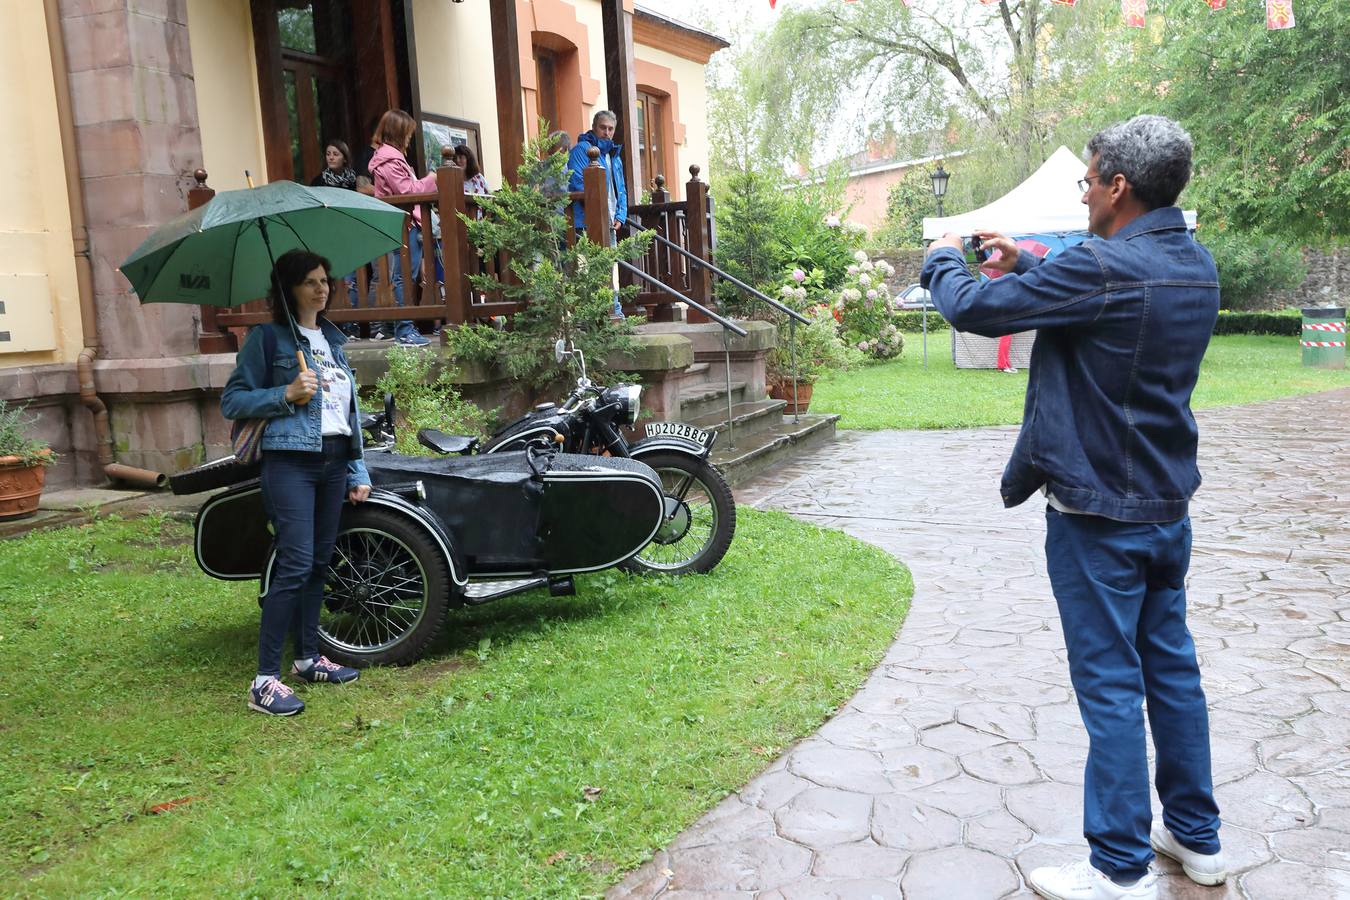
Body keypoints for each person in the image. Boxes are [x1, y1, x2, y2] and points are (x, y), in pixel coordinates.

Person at [920, 115, 1223, 900]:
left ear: (1118, 187)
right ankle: (1197, 839)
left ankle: (1120, 871)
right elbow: (1107, 282)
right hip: (1165, 508)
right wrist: (1032, 258)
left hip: (1097, 517)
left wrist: (939, 262)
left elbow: (977, 310)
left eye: (1088, 179)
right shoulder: (1196, 265)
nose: (1083, 190)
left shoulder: (1105, 270)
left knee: (1112, 685)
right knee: (1173, 672)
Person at [221, 249, 372, 716]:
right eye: (309, 281)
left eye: (325, 279)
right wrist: (284, 393)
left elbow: (346, 415)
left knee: (320, 562)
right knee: (295, 563)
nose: (321, 288)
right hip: (290, 462)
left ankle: (308, 658)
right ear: (288, 288)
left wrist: (356, 468)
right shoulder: (267, 340)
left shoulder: (331, 341)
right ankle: (264, 681)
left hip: (333, 461)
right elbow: (233, 400)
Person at [368, 108, 436, 346]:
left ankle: (406, 327)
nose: (409, 137)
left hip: (404, 223)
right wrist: (432, 179)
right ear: (398, 132)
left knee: (405, 275)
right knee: (404, 277)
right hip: (403, 225)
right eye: (407, 132)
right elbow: (407, 191)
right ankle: (404, 329)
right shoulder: (390, 160)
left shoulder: (390, 157)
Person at [567, 110, 627, 318]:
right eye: (603, 127)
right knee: (584, 270)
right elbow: (578, 183)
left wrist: (620, 215)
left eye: (611, 129)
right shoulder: (582, 150)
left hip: (609, 222)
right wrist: (602, 211)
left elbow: (621, 190)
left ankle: (613, 311)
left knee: (609, 268)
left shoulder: (613, 155)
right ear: (594, 127)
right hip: (586, 221)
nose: (607, 132)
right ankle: (591, 316)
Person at [310, 140, 363, 337]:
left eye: (336, 154)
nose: (331, 157)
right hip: (329, 235)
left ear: (344, 157)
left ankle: (354, 324)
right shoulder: (318, 181)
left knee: (353, 280)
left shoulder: (354, 180)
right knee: (336, 279)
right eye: (328, 154)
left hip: (350, 233)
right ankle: (336, 323)